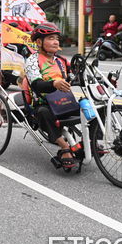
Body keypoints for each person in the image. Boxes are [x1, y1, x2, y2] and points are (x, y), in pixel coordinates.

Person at [24, 22, 77, 169]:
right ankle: (64, 145)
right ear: (39, 42)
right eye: (51, 38)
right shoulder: (32, 61)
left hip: (65, 102)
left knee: (93, 106)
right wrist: (54, 84)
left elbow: (74, 78)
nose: (56, 42)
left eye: (57, 39)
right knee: (43, 112)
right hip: (43, 103)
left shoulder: (61, 61)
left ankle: (92, 140)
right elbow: (36, 84)